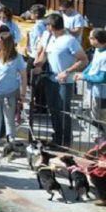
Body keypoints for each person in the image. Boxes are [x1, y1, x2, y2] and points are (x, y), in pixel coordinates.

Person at [34, 13, 88, 147]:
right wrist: (37, 64)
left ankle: (66, 142)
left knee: (63, 111)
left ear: (51, 26)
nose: (46, 27)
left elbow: (83, 59)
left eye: (47, 25)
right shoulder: (51, 38)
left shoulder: (70, 40)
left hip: (65, 81)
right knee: (53, 110)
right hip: (50, 79)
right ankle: (57, 137)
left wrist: (67, 72)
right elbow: (45, 55)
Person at [0, 31, 27, 155]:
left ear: (6, 44)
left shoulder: (17, 58)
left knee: (9, 121)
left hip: (10, 94)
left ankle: (11, 145)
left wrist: (23, 94)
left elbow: (24, 76)